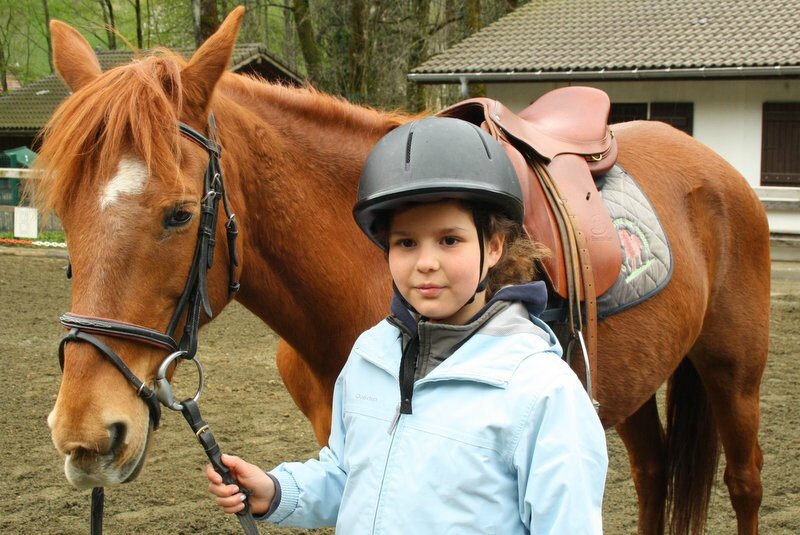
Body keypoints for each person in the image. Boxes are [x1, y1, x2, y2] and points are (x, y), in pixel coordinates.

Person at [206, 117, 608, 533]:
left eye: (449, 240)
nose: (425, 262)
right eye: (406, 243)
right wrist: (277, 491)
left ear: (493, 246)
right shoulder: (369, 356)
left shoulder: (541, 392)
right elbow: (350, 477)